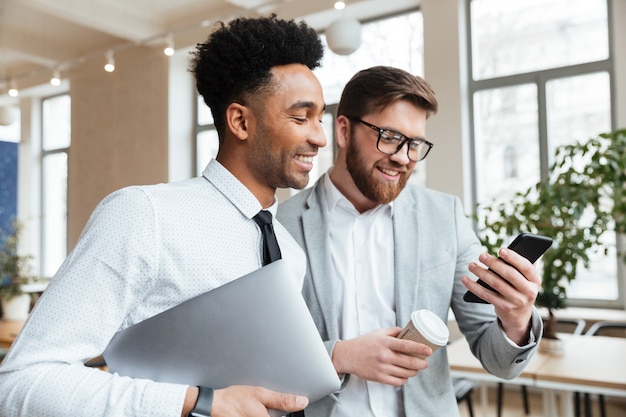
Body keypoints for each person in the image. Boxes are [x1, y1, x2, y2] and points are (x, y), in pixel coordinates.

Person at [0, 15, 326, 417]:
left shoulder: (290, 253)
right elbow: (23, 381)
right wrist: (198, 402)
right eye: (301, 117)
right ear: (240, 121)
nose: (319, 136)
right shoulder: (144, 215)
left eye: (320, 117)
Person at [277, 65, 543, 417]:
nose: (403, 157)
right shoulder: (281, 224)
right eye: (389, 136)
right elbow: (265, 355)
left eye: (415, 143)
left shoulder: (444, 216)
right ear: (343, 130)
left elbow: (500, 362)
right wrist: (339, 355)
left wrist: (517, 319)